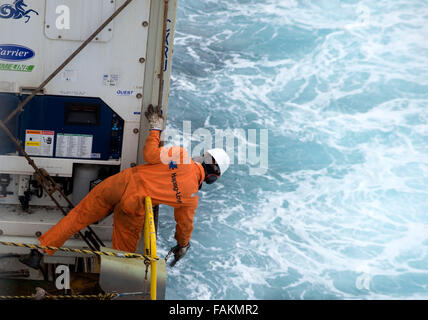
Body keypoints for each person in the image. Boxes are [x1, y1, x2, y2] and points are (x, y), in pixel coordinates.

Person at [20, 105, 230, 269]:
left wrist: (155, 128)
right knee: (123, 251)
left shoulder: (180, 156)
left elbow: (149, 155)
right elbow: (184, 226)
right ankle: (116, 283)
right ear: (212, 177)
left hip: (120, 183)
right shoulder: (190, 197)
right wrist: (182, 246)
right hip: (134, 205)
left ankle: (38, 254)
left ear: (204, 156)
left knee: (77, 217)